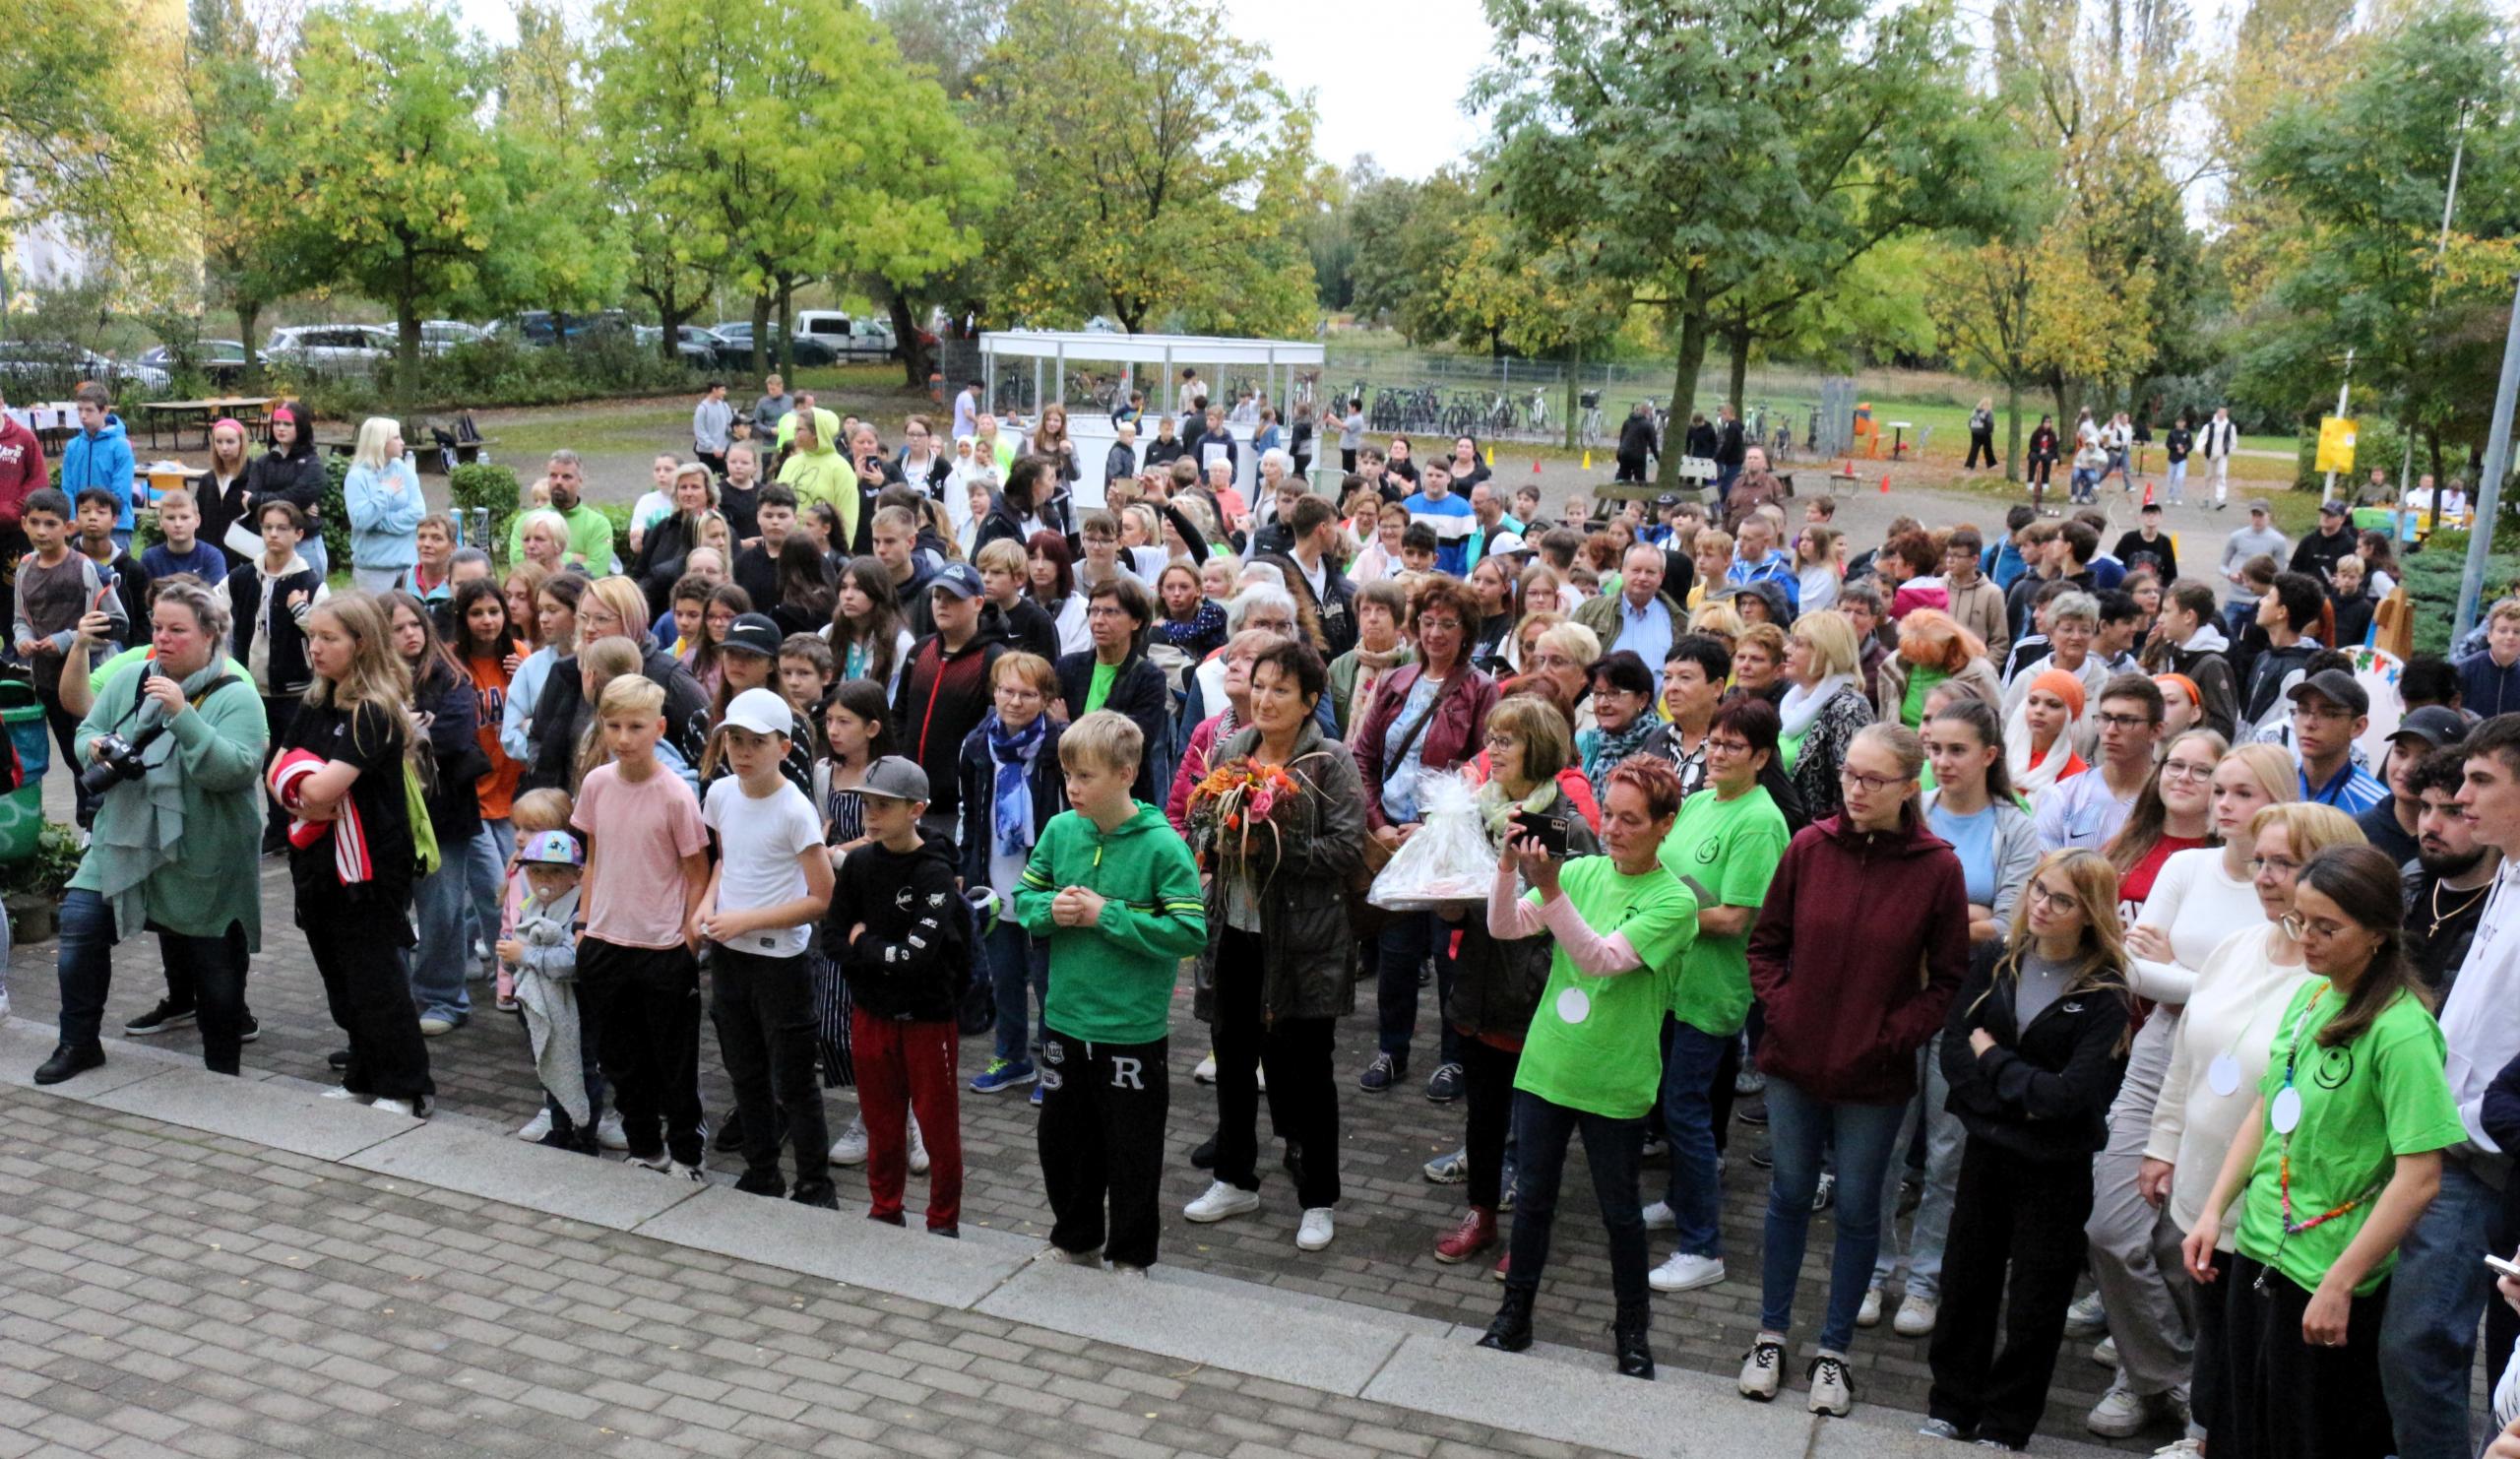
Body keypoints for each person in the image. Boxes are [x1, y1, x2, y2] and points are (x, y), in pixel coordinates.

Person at [2182, 844, 2463, 1459]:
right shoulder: (2312, 997)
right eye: (2298, 921)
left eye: (2326, 927)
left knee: (2307, 1439)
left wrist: (2341, 1282)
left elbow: (2420, 1179)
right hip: (2259, 1247)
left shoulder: (2403, 1031)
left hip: (2327, 1277)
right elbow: (2266, 1106)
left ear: (2378, 936)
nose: (2305, 938)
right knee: (2238, 1433)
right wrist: (2214, 1210)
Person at [1741, 724, 1970, 1415]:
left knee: (1859, 1208)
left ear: (1909, 787)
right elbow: (1767, 945)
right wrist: (1784, 1009)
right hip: (1793, 1061)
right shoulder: (1810, 847)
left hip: (1875, 1075)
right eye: (1849, 775)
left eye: (1873, 780)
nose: (1856, 790)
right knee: (1787, 1195)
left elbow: (1949, 978)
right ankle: (1770, 1335)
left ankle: (1835, 1351)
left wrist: (1893, 1036)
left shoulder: (1937, 868)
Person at [1476, 754, 1699, 1379]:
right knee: (1535, 1201)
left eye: (1632, 821)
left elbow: (1600, 959)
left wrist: (1548, 888)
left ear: (1665, 825)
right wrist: (1508, 864)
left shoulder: (1675, 902)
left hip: (1616, 1077)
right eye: (1613, 816)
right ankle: (1513, 1316)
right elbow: (1502, 926)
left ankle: (1633, 1331)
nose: (1615, 830)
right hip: (1549, 1065)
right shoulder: (1584, 872)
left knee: (1619, 1211)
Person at [2137, 797, 2354, 1441]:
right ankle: (2201, 1435)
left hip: (2274, 1209)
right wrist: (2162, 1144)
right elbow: (2186, 1057)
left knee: (2258, 1365)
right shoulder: (2236, 947)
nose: (2263, 876)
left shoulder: (2332, 979)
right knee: (2214, 1341)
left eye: (2284, 863)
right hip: (2203, 1186)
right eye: (2259, 861)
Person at [1922, 848, 2136, 1450]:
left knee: (2035, 1305)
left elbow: (2069, 1096)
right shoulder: (1996, 960)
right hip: (1988, 1151)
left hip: (2055, 1168)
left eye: (2062, 899)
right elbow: (1955, 1050)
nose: (2042, 905)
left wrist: (1997, 1061)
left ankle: (2007, 1425)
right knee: (1967, 1283)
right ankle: (1950, 1406)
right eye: (2039, 890)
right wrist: (2017, 1095)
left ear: (2089, 914)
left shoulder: (2104, 993)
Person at [31, 580, 268, 1087]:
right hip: (125, 834)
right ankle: (78, 1044)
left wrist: (182, 715)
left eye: (176, 629)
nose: (162, 638)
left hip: (205, 849)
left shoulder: (237, 694)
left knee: (217, 968)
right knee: (79, 925)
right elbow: (86, 731)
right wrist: (96, 749)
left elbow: (233, 772)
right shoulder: (133, 676)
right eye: (157, 626)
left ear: (210, 634)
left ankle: (223, 1069)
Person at [1863, 697, 2045, 1336]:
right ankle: (1873, 1266)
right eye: (1934, 748)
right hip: (1895, 999)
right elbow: (1878, 900)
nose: (1942, 761)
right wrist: (1962, 916)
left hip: (1968, 1012)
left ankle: (1925, 1277)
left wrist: (1934, 917)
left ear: (1989, 755)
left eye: (1957, 750)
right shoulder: (1912, 812)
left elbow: (2013, 925)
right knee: (1881, 1143)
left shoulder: (2013, 828)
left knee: (1947, 1150)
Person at [1179, 640, 1363, 1251]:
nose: (1265, 699)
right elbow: (1204, 822)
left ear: (1311, 701)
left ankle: (1318, 1196)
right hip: (1235, 927)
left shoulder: (1330, 761)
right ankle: (1235, 1176)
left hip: (1304, 939)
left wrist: (1272, 845)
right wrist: (1217, 836)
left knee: (1307, 1069)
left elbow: (1346, 849)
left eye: (1281, 689)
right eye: (1260, 686)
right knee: (1232, 1056)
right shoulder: (1234, 749)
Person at [1016, 711, 1208, 1272]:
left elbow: (1188, 932)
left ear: (1126, 774)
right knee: (1061, 1143)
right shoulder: (1059, 831)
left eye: (1086, 776)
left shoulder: (1162, 847)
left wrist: (1108, 916)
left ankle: (1131, 1257)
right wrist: (1050, 910)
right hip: (1065, 1021)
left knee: (1131, 1151)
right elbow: (1024, 902)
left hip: (1131, 1031)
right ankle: (1074, 1241)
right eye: (1067, 774)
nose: (1072, 787)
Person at [2378, 715, 2520, 1459]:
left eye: (2481, 781)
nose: (2461, 796)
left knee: (2422, 1346)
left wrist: (2481, 1124)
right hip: (2433, 1133)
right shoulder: (2507, 873)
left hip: (2480, 1156)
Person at [1428, 694, 1601, 1265]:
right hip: (1477, 986)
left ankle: (1529, 1229)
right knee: (1482, 1115)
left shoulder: (1565, 826)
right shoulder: (1476, 811)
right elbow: (1464, 899)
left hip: (1535, 995)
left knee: (1535, 1127)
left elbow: (1582, 913)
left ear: (1540, 749)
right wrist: (1448, 907)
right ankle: (1480, 1213)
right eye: (1492, 738)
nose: (1492, 751)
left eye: (1507, 741)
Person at [264, 593, 433, 1114]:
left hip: (368, 868)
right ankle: (362, 1073)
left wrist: (301, 790)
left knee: (375, 978)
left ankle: (405, 1087)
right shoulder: (317, 701)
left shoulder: (374, 711)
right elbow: (274, 768)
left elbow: (318, 789)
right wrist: (298, 789)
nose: (314, 648)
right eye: (311, 637)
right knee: (340, 979)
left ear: (361, 644)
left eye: (328, 638)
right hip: (317, 863)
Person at [1646, 699, 1792, 1295]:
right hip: (1669, 982)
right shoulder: (1702, 801)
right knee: (1675, 1103)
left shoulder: (1760, 820)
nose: (1717, 754)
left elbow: (1735, 919)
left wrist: (1664, 916)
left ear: (1760, 757)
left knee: (1687, 1109)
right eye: (1715, 743)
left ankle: (1702, 1246)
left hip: (1712, 990)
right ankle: (1681, 1201)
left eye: (1733, 746)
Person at [1354, 576, 1498, 1099]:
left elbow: (1487, 768)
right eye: (1429, 622)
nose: (1436, 633)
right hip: (1393, 839)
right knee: (1395, 954)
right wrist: (1380, 823)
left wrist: (1436, 824)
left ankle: (1454, 1059)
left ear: (1468, 633)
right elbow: (1365, 757)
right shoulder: (1396, 681)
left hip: (1447, 845)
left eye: (1449, 624)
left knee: (1449, 956)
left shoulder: (1481, 689)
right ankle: (1392, 1050)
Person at [691, 686, 837, 1203]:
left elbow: (822, 897)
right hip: (732, 956)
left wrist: (745, 921)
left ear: (784, 747)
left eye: (757, 741)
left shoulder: (794, 810)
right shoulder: (720, 794)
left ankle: (815, 1182)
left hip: (781, 962)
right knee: (744, 1071)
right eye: (734, 739)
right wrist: (709, 906)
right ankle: (761, 1170)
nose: (743, 751)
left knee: (794, 1081)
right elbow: (726, 861)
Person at [571, 672, 712, 1176]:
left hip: (663, 948)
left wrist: (687, 941)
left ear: (660, 728)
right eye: (614, 726)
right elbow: (593, 858)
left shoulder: (675, 795)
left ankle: (688, 1156)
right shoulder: (595, 784)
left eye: (636, 726)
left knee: (673, 1060)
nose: (624, 738)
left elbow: (698, 872)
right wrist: (584, 925)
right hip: (606, 942)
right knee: (621, 1059)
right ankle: (644, 1147)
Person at [959, 653, 1065, 1098]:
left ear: (1045, 699)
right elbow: (968, 809)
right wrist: (966, 869)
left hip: (1045, 879)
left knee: (1048, 982)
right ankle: (1012, 1058)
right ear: (994, 691)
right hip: (996, 875)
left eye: (1027, 694)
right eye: (1007, 691)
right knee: (1004, 975)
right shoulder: (976, 744)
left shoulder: (1061, 745)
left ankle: (1056, 1068)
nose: (1015, 702)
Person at [386, 593, 483, 1037]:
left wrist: (400, 729)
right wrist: (410, 727)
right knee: (389, 910)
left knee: (441, 910)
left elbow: (453, 735)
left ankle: (444, 999)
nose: (410, 634)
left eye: (415, 625)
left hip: (444, 814)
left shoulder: (450, 677)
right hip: (388, 816)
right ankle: (395, 994)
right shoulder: (370, 680)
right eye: (397, 628)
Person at [14, 487, 128, 823]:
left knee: (92, 755)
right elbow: (21, 619)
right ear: (23, 524)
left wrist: (67, 640)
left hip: (88, 681)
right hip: (48, 681)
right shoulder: (24, 568)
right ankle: (88, 822)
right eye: (34, 523)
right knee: (71, 756)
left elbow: (118, 624)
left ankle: (100, 822)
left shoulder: (85, 569)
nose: (42, 531)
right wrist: (23, 640)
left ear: (69, 528)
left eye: (51, 523)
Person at [1056, 576, 1168, 803]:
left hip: (1123, 797)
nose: (1098, 620)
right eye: (1094, 611)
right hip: (1070, 794)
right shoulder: (1068, 667)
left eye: (1110, 612)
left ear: (1135, 621)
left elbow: (1130, 743)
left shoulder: (1149, 678)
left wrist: (1066, 726)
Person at [2036, 673, 2165, 851]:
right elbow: (2045, 870)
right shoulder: (2064, 795)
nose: (2111, 730)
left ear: (2156, 731)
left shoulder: (2168, 800)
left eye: (2126, 720)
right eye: (2105, 718)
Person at [2400, 746, 2491, 993]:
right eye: (2426, 807)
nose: (2430, 825)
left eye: (2453, 812)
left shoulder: (2502, 907)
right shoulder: (2409, 882)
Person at [1776, 612, 1874, 823]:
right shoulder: (1791, 704)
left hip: (1824, 835)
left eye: (1798, 644)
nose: (1786, 650)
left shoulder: (1849, 707)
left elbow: (1853, 786)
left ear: (1826, 652)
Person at [1577, 544, 1687, 691]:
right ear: (1622, 571)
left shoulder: (1679, 621)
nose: (1642, 577)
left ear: (1661, 577)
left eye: (1650, 572)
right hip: (1600, 706)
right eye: (1636, 570)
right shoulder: (1590, 612)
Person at [2144, 582, 2240, 741]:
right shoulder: (2173, 653)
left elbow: (2223, 727)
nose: (2159, 619)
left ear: (2189, 616)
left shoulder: (2212, 665)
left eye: (2166, 611)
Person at [343, 417, 423, 594]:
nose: (402, 442)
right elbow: (360, 520)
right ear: (379, 442)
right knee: (377, 620)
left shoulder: (405, 471)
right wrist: (385, 492)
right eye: (396, 437)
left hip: (408, 567)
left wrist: (377, 521)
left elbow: (418, 514)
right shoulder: (357, 477)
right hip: (373, 571)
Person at [2287, 669, 2384, 812]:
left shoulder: (2376, 807)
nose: (2309, 723)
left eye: (2328, 714)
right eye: (2303, 710)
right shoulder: (2274, 785)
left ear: (2358, 726)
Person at [504, 451, 613, 575]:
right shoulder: (526, 520)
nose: (558, 482)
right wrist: (572, 559)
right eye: (553, 476)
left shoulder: (598, 524)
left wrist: (544, 561)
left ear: (580, 481)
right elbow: (519, 565)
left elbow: (596, 571)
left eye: (566, 477)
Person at [58, 381, 138, 549]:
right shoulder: (73, 446)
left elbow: (121, 491)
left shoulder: (120, 446)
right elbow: (67, 486)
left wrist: (99, 518)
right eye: (79, 410)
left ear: (105, 411)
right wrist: (76, 518)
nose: (83, 416)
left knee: (114, 574)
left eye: (89, 410)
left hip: (116, 527)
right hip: (79, 525)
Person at [2006, 668, 2090, 807]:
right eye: (2033, 702)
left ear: (2069, 715)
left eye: (2053, 705)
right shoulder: (2003, 756)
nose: (2039, 711)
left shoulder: (2076, 776)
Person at [141, 488, 226, 588]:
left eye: (184, 517)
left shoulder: (212, 556)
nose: (178, 524)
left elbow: (217, 598)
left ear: (197, 520)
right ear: (160, 521)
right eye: (170, 518)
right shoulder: (150, 558)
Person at [2458, 600, 2520, 719]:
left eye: (2517, 632)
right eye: (2503, 631)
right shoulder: (2464, 670)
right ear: (2490, 636)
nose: (2510, 637)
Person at [692, 381, 732, 477]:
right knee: (707, 479)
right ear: (714, 390)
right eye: (722, 390)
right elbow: (700, 432)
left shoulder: (724, 405)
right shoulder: (702, 409)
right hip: (707, 453)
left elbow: (730, 424)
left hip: (723, 451)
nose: (724, 393)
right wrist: (713, 447)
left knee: (725, 478)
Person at [1615, 402, 1658, 482]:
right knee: (1640, 481)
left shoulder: (1627, 422)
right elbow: (1653, 445)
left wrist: (1619, 452)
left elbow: (1622, 439)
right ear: (1647, 413)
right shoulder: (1648, 425)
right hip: (1638, 457)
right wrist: (1658, 459)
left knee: (1623, 479)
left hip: (1624, 454)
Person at [1966, 398, 1997, 471]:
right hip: (1985, 433)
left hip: (1975, 432)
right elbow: (1990, 423)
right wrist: (1991, 431)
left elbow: (1970, 421)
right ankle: (1991, 464)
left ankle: (1970, 464)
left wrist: (1972, 429)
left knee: (1974, 448)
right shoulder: (1989, 413)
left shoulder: (1975, 411)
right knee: (1988, 448)